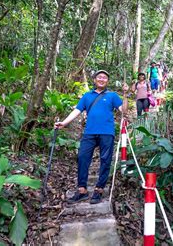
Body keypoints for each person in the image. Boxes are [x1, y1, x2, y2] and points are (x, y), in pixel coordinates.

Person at [54, 70, 128, 204]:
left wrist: (125, 94)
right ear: (94, 80)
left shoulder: (112, 95)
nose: (101, 79)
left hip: (107, 132)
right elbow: (77, 110)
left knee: (105, 160)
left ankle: (99, 189)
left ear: (107, 81)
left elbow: (124, 110)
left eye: (104, 77)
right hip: (89, 132)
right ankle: (82, 190)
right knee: (82, 157)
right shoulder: (87, 96)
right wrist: (64, 123)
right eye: (99, 77)